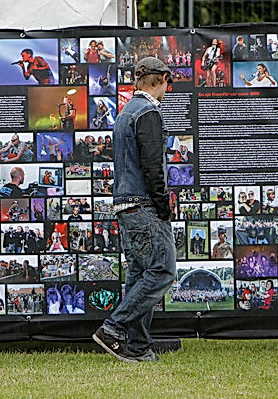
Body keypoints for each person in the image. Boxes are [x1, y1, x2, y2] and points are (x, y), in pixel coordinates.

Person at [92, 57, 176, 363]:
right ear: (161, 80)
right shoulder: (149, 112)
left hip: (124, 204)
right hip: (143, 203)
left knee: (141, 274)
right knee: (164, 270)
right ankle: (113, 329)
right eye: (167, 83)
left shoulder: (126, 113)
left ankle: (139, 346)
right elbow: (153, 167)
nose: (167, 90)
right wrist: (163, 206)